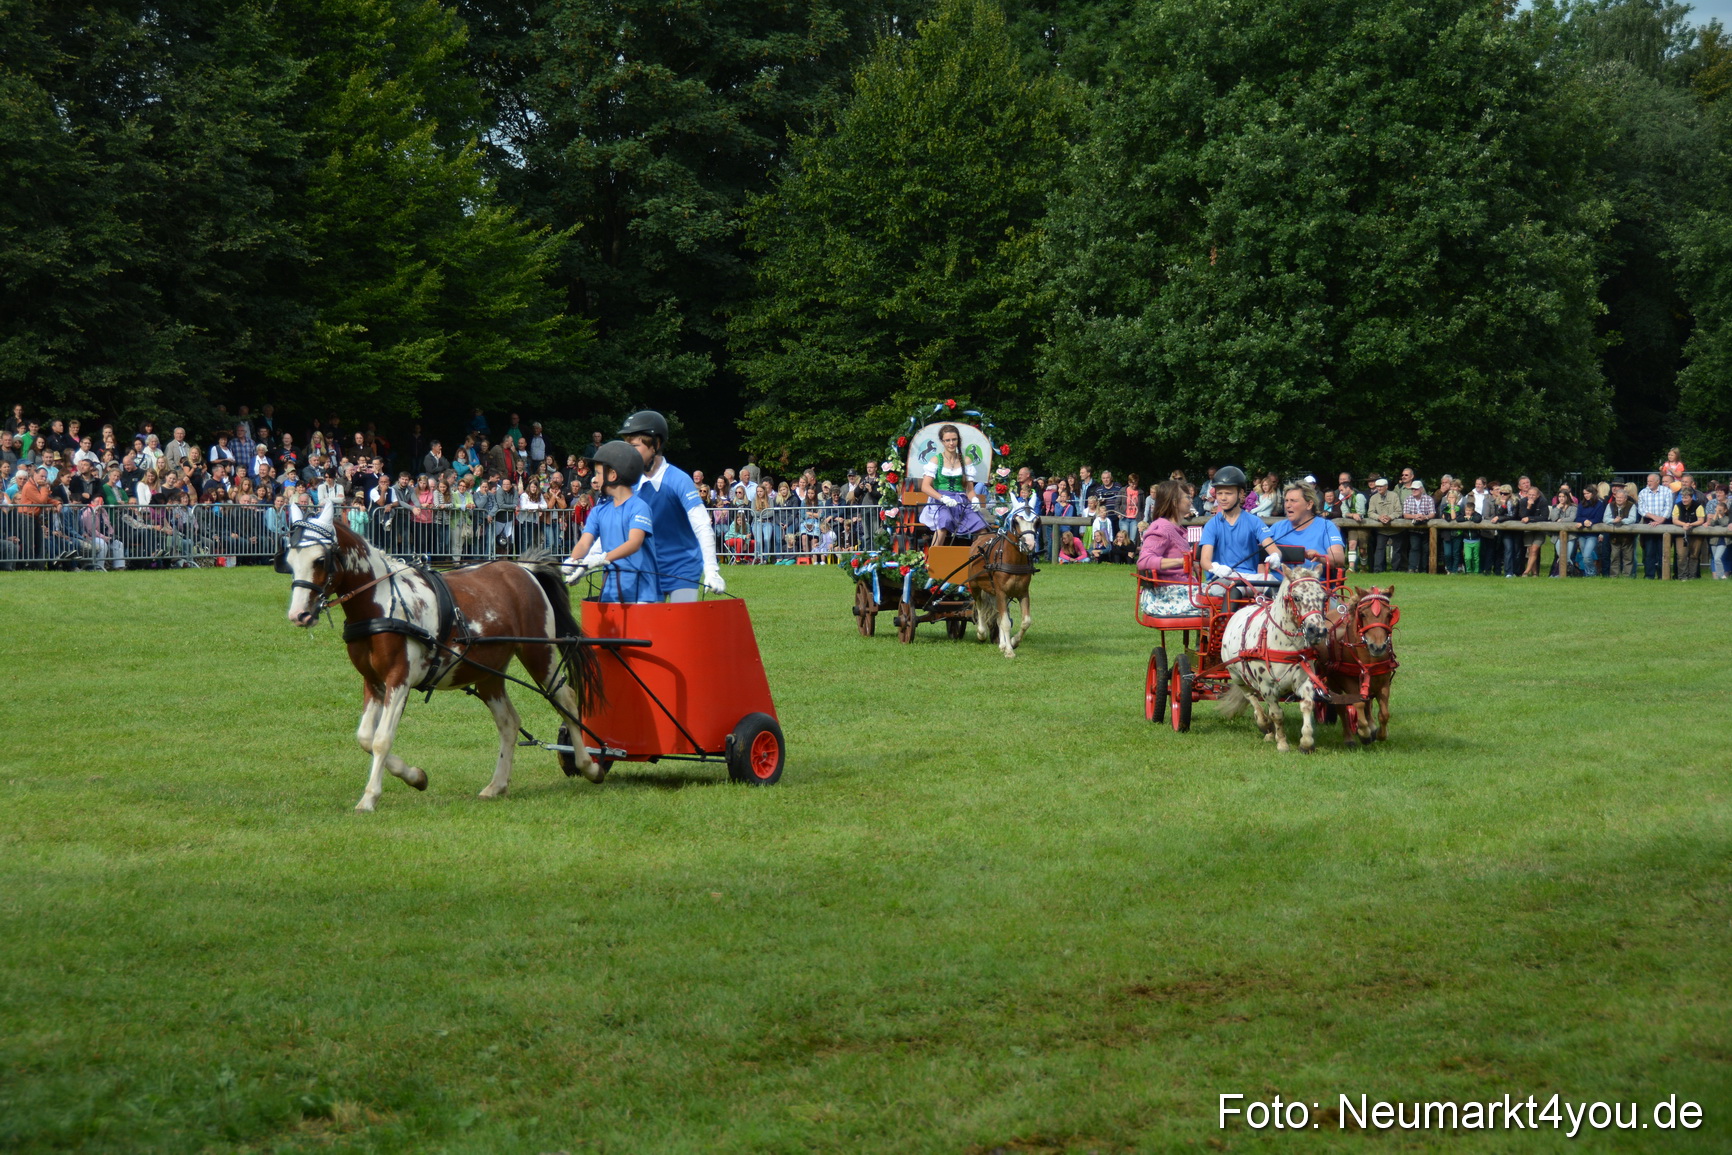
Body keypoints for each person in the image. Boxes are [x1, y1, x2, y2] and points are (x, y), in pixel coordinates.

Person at [612, 411, 724, 598]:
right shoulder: (629, 483)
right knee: (647, 618)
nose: (628, 453)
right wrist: (584, 559)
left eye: (634, 446)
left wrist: (711, 569)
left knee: (680, 616)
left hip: (682, 567)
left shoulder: (679, 480)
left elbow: (702, 525)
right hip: (647, 568)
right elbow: (613, 524)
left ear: (656, 445)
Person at [563, 440, 656, 603]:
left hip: (641, 592)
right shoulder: (598, 511)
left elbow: (634, 543)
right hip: (610, 591)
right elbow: (584, 543)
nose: (596, 479)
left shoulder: (639, 507)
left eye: (599, 473)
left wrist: (602, 558)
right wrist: (573, 561)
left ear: (613, 475)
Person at [917, 423, 988, 547]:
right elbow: (925, 486)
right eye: (947, 440)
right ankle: (933, 556)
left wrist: (974, 499)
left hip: (961, 501)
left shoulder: (965, 460)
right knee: (944, 522)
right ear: (942, 441)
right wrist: (942, 498)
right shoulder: (936, 460)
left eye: (954, 439)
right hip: (941, 502)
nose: (951, 443)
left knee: (981, 526)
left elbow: (969, 490)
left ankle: (979, 555)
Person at [1137, 480, 1200, 614]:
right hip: (1167, 595)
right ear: (1175, 502)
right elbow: (1144, 561)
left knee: (1225, 593)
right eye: (1187, 497)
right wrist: (1181, 561)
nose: (1191, 500)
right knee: (1225, 599)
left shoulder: (1176, 529)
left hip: (1181, 590)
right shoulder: (1161, 528)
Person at [1261, 482, 1346, 569]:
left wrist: (1320, 558)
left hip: (1311, 577)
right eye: (1286, 501)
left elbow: (1339, 559)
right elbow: (1260, 556)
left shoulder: (1326, 526)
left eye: (1293, 501)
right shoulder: (1277, 527)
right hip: (1277, 578)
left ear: (1309, 505)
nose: (1287, 505)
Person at [1636, 473, 1673, 578]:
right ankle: (1649, 575)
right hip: (1649, 524)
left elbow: (1668, 507)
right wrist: (1654, 517)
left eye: (1651, 481)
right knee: (1649, 551)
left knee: (1663, 552)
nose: (1649, 483)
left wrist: (1661, 520)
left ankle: (1663, 575)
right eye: (1648, 481)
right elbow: (1641, 509)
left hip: (1664, 524)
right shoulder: (1643, 492)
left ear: (1657, 481)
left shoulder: (1667, 491)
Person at [1672, 485, 1706, 579]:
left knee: (1694, 555)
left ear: (1691, 498)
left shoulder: (1698, 506)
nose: (1684, 500)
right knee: (1681, 555)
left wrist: (1691, 524)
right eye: (1683, 497)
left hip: (1696, 533)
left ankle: (1692, 576)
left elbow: (1701, 520)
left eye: (1686, 498)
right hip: (1681, 534)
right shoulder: (1677, 506)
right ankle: (1682, 576)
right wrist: (1684, 524)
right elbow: (1674, 520)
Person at [1402, 480, 1435, 572]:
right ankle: (1412, 568)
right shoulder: (1408, 499)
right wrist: (1415, 516)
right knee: (1414, 547)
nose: (1414, 490)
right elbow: (1405, 514)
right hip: (1413, 528)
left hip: (1426, 528)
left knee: (1425, 549)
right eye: (1412, 489)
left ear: (1421, 489)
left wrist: (1425, 517)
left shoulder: (1429, 499)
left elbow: (1432, 513)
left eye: (1416, 489)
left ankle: (1423, 569)